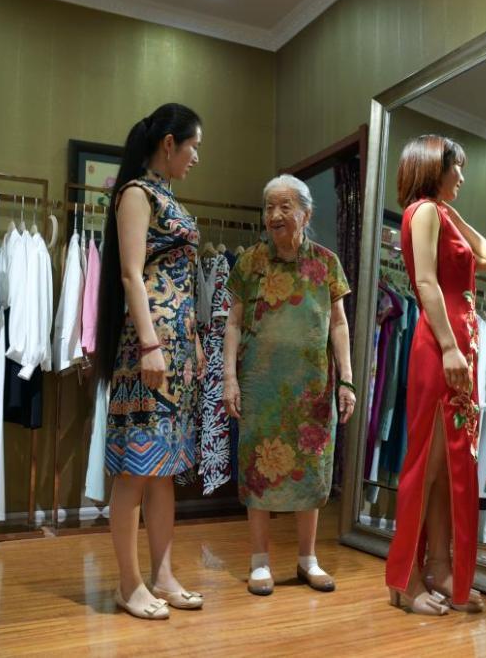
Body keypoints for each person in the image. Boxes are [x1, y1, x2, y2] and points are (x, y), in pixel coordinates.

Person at [94, 103, 206, 620]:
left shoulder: (168, 197)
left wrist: (193, 342)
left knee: (164, 469)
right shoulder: (137, 194)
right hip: (148, 350)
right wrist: (149, 344)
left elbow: (181, 281)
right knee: (135, 470)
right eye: (193, 146)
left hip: (177, 351)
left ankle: (162, 576)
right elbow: (131, 275)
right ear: (169, 144)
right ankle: (128, 583)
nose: (196, 157)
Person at [384, 135, 486, 615]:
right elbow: (426, 281)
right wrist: (451, 347)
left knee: (446, 466)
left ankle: (438, 565)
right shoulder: (424, 212)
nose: (462, 177)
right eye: (458, 168)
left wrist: (457, 216)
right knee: (427, 466)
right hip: (441, 345)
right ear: (435, 166)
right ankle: (404, 578)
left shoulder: (441, 214)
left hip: (458, 344)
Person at [222, 174, 355, 596]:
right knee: (258, 471)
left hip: (312, 389)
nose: (275, 215)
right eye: (269, 207)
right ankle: (259, 561)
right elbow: (233, 323)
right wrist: (229, 378)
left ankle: (307, 560)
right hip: (260, 386)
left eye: (285, 206)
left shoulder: (327, 263)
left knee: (311, 472)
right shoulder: (249, 263)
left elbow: (339, 324)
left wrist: (347, 380)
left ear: (305, 214)